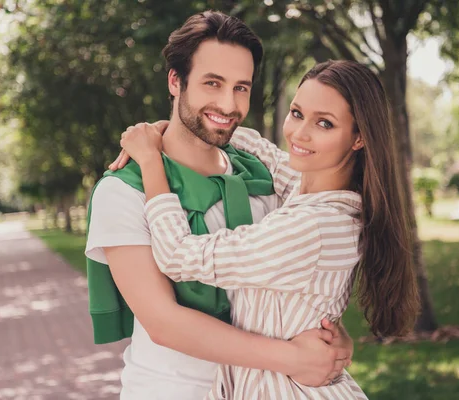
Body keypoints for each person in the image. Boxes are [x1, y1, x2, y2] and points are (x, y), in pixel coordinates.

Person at [85, 11, 352, 400]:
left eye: (241, 87)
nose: (227, 104)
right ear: (175, 81)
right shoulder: (124, 191)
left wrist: (331, 336)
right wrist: (293, 357)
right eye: (213, 83)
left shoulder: (266, 176)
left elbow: (304, 275)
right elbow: (164, 322)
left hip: (267, 390)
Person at [117, 59, 421, 399]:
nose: (299, 133)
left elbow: (177, 255)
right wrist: (176, 127)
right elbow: (267, 153)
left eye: (325, 123)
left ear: (359, 138)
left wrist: (150, 161)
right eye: (296, 113)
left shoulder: (310, 226)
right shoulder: (314, 190)